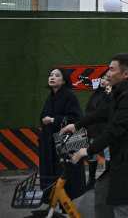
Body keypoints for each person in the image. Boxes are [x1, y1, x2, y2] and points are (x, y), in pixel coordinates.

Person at [61, 53, 128, 218]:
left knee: (122, 210)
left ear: (126, 74)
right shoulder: (122, 92)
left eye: (112, 69)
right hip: (122, 160)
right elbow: (103, 112)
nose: (108, 73)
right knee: (102, 188)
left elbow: (115, 129)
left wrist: (88, 151)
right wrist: (77, 125)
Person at [39, 67, 86, 200]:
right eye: (51, 75)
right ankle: (56, 203)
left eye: (57, 75)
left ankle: (65, 206)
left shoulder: (69, 95)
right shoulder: (50, 97)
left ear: (64, 80)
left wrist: (53, 120)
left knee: (67, 178)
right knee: (54, 178)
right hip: (52, 143)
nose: (52, 77)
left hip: (66, 143)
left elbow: (77, 119)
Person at [84, 76, 111, 189]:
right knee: (92, 155)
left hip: (106, 131)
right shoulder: (95, 94)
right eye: (103, 78)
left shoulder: (113, 95)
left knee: (108, 154)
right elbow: (88, 110)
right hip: (94, 130)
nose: (104, 81)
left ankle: (108, 180)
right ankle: (91, 179)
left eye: (107, 80)